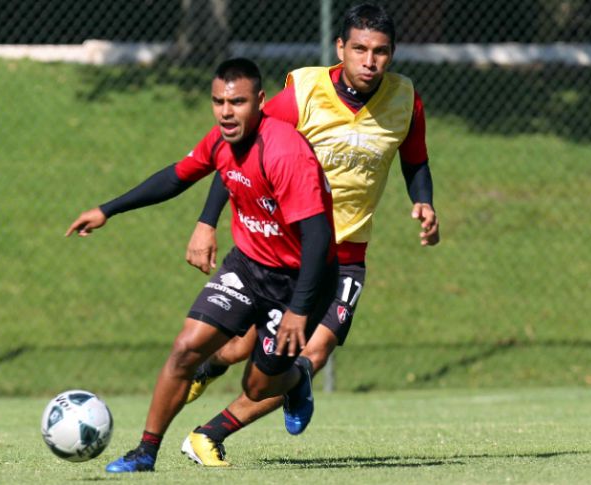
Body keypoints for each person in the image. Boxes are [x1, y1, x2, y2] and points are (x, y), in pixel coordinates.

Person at [179, 3, 440, 467]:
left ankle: (208, 434)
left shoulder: (406, 99)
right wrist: (206, 220)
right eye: (359, 48)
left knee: (309, 354)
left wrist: (424, 200)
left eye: (380, 51)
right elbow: (238, 146)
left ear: (392, 54)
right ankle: (213, 363)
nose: (369, 60)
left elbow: (415, 159)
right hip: (288, 250)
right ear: (341, 48)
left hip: (348, 253)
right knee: (248, 345)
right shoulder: (304, 91)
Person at [65, 57, 339, 473]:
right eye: (218, 102)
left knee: (259, 384)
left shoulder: (285, 152)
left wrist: (299, 310)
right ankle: (145, 453)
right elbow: (176, 177)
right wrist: (108, 210)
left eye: (238, 102)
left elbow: (319, 239)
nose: (226, 112)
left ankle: (296, 379)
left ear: (260, 101)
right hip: (248, 267)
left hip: (301, 280)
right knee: (186, 348)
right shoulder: (221, 141)